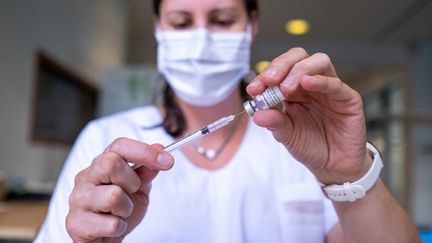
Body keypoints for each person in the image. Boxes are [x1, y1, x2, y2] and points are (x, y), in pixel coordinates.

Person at [35, 0, 421, 242]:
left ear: (251, 25)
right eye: (182, 22)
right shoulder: (105, 140)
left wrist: (350, 174)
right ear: (158, 30)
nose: (201, 40)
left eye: (221, 20)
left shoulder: (303, 142)